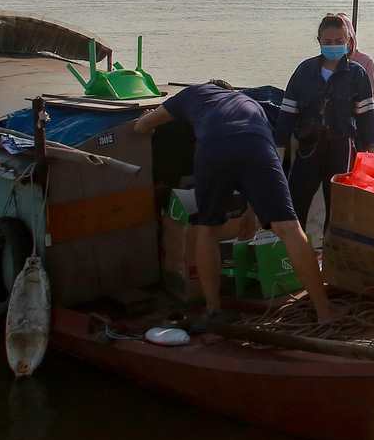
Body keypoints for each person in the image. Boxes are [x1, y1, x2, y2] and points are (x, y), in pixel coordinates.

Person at [132, 80, 333, 328]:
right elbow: (254, 158)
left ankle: (213, 310)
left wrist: (147, 121)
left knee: (208, 231)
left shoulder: (193, 93)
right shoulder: (251, 103)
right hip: (256, 144)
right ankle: (324, 311)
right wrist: (254, 210)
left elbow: (142, 127)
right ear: (231, 92)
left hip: (212, 148)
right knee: (290, 229)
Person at [282, 13, 374, 232]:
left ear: (348, 42)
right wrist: (280, 149)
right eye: (327, 42)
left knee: (337, 209)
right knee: (296, 202)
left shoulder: (358, 74)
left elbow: (367, 118)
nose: (333, 46)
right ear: (319, 41)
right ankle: (295, 254)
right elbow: (287, 112)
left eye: (338, 42)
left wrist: (369, 155)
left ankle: (332, 255)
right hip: (308, 147)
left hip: (342, 146)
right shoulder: (304, 71)